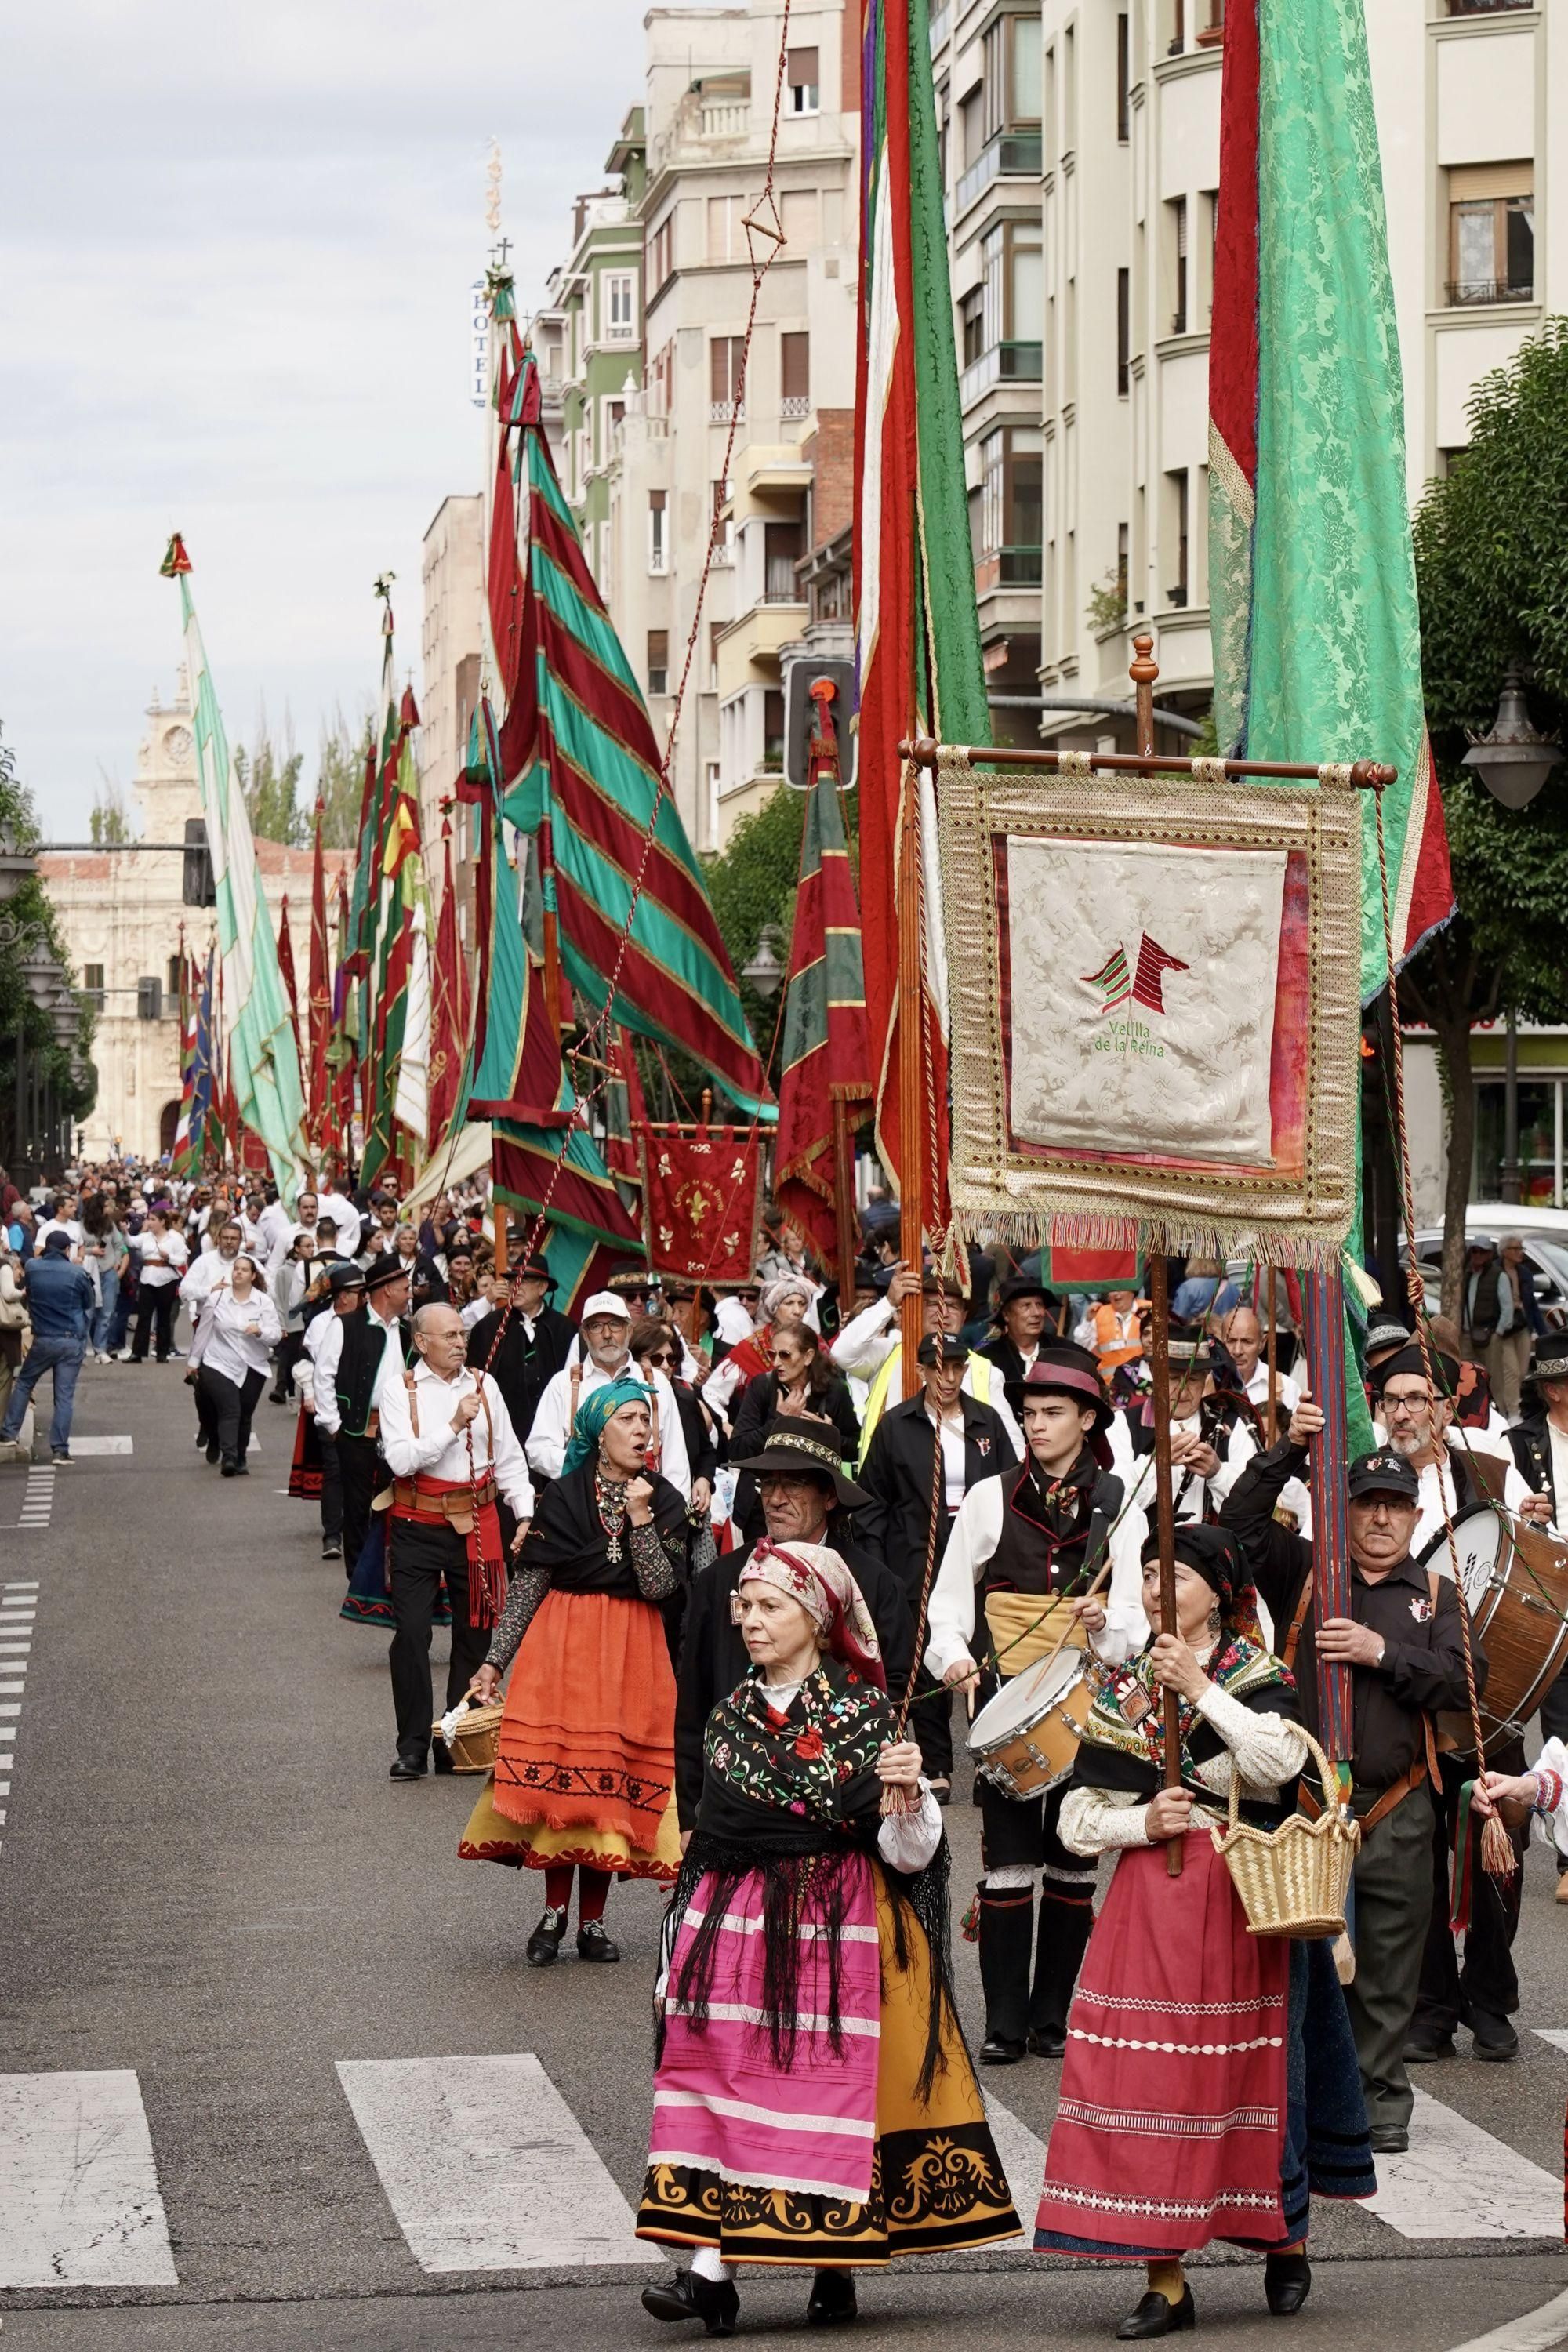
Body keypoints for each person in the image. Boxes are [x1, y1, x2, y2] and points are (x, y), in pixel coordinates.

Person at [636, 1541, 1020, 2331]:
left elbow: (905, 1855)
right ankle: (710, 2270)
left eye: (769, 1606)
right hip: (730, 1932)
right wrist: (678, 1956)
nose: (749, 1621)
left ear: (816, 1618)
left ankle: (830, 2260)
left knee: (816, 2094)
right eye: (744, 1606)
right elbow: (711, 1839)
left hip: (830, 1926)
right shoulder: (727, 1718)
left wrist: (908, 1794)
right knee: (720, 2088)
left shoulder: (866, 1719)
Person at [1033, 1524, 1372, 2337]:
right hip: (1149, 1910)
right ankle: (1165, 2279)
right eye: (1146, 1578)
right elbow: (1076, 1820)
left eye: (1173, 1578)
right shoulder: (1119, 1690)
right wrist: (1142, 1822)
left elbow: (1275, 1768)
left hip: (1248, 1903)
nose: (1155, 1591)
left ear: (1216, 1592)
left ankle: (1282, 2240)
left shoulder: (1257, 1674)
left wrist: (1198, 1689)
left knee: (1257, 2081)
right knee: (1152, 2086)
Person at [1221, 1425, 1484, 2153]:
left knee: (1391, 1970)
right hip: (1308, 1807)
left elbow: (1468, 1682)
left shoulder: (1438, 1593)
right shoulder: (1306, 1571)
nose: (1379, 1518)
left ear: (1415, 1516)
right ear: (1345, 1508)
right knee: (1303, 1967)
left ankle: (1380, 2099)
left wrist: (1383, 1654)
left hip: (1398, 1805)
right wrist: (1293, 1449)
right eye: (1366, 1503)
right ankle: (1310, 2098)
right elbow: (1237, 1528)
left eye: (1394, 1506)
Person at [926, 1349, 1134, 2064]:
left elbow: (1136, 1613)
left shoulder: (1120, 1498)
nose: (1036, 1425)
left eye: (1052, 1413)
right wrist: (951, 1654)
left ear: (1087, 1419)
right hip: (1009, 1698)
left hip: (1090, 1699)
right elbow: (949, 1598)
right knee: (1007, 1865)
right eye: (1029, 1413)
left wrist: (1110, 1625)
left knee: (1074, 1860)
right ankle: (1004, 2025)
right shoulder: (989, 1496)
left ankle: (1055, 2021)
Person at [459, 1381, 686, 1957]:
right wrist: (492, 1663)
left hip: (634, 1651)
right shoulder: (560, 1497)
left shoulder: (662, 1499)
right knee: (564, 1783)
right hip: (563, 1649)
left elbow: (662, 1587)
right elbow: (530, 1587)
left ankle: (593, 1923)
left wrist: (639, 1519)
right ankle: (554, 1914)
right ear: (597, 1433)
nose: (642, 1430)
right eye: (628, 1419)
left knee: (606, 1783)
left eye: (647, 1419)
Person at [673, 1417, 916, 1838]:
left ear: (829, 1497)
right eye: (767, 1483)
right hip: (735, 1807)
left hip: (840, 1813)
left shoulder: (872, 1585)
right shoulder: (721, 1580)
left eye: (794, 1484)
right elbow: (694, 1699)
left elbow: (895, 1692)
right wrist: (692, 1816)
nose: (775, 1498)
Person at [376, 1302, 535, 1780]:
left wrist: (524, 1514)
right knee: (412, 1635)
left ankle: (454, 1737)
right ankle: (412, 1746)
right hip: (417, 1523)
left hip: (480, 1519)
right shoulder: (401, 1389)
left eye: (463, 1333)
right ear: (421, 1342)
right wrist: (452, 1427)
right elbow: (401, 1461)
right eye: (448, 1335)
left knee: (475, 1633)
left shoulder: (485, 1386)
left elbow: (509, 1458)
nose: (460, 1342)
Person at [858, 1330, 1016, 1798]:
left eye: (956, 1367)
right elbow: (872, 1502)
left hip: (977, 1549)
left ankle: (992, 1762)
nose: (947, 1377)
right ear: (923, 1370)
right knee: (921, 1654)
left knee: (984, 1649)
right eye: (937, 1367)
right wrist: (878, 1566)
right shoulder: (896, 1424)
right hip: (915, 1550)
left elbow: (1012, 1488)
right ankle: (937, 1762)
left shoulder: (986, 1422)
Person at [832, 1265, 1024, 1460]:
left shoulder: (986, 1372)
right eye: (933, 1304)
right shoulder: (888, 1353)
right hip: (892, 1482)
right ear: (916, 1309)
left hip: (964, 1486)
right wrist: (889, 1303)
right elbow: (841, 1353)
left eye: (953, 1306)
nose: (943, 1312)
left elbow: (1013, 1447)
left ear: (965, 1317)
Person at [1371, 1345, 1540, 1552]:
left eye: (1416, 1399)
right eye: (1391, 1400)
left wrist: (1532, 1532)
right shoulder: (1364, 1475)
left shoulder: (1495, 1477)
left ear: (1448, 1410)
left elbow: (1550, 1557)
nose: (1399, 1415)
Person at [527, 1291, 691, 1497]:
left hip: (648, 1503)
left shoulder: (656, 1382)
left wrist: (675, 1516)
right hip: (582, 1505)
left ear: (630, 1330)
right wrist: (583, 1465)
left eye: (615, 1324)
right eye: (596, 1326)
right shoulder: (564, 1384)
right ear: (585, 1336)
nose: (607, 1334)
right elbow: (537, 1449)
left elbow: (676, 1459)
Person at [313, 1257, 411, 1576]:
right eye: (405, 1289)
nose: (410, 1295)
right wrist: (334, 1425)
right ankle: (357, 1575)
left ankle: (390, 1570)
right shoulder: (344, 1325)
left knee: (394, 1502)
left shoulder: (408, 1332)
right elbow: (323, 1376)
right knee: (356, 1506)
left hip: (397, 1432)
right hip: (355, 1430)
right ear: (385, 1291)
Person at [726, 1319, 859, 1545]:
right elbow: (738, 1450)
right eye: (772, 1354)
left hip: (813, 1510)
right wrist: (778, 1420)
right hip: (761, 1507)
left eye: (785, 1355)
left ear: (808, 1357)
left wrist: (827, 1433)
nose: (776, 1362)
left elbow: (854, 1448)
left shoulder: (833, 1391)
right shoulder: (762, 1386)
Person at [1112, 1323, 1257, 1530]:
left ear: (1207, 1376)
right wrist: (1157, 1465)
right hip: (1141, 1557)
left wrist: (1217, 1473)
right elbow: (1113, 1502)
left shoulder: (1232, 1426)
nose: (1181, 1390)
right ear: (1154, 1373)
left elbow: (1252, 1507)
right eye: (1172, 1379)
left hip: (1210, 1558)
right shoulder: (1123, 1425)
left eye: (1193, 1380)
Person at [465, 1253, 577, 1454]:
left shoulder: (565, 1328)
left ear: (543, 1288)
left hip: (553, 1435)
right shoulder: (489, 1327)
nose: (516, 1286)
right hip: (505, 1434)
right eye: (512, 1281)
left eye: (525, 1281)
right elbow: (474, 1382)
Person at [0, 1231, 95, 1464]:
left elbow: (26, 1291)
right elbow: (89, 1304)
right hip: (70, 1338)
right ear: (66, 1250)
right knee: (63, 1396)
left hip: (42, 1337)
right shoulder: (78, 1273)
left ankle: (8, 1433)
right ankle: (60, 1450)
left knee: (24, 1383)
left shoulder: (32, 1267)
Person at [197, 1252, 281, 1476]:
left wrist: (259, 1331)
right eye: (236, 1269)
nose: (239, 1273)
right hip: (219, 1362)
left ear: (253, 1276)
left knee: (244, 1413)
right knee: (230, 1409)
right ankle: (229, 1457)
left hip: (253, 1365)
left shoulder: (263, 1302)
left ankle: (241, 1456)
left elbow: (275, 1335)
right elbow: (204, 1330)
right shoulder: (217, 1299)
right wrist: (194, 1361)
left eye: (244, 1270)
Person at [128, 1208, 187, 1363]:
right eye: (149, 1219)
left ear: (162, 1222)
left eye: (154, 1219)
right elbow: (131, 1242)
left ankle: (162, 1352)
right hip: (148, 1277)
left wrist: (169, 1257)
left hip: (166, 1278)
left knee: (164, 1317)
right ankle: (138, 1352)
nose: (150, 1223)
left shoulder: (175, 1238)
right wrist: (124, 1231)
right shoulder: (146, 1237)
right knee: (144, 1316)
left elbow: (182, 1259)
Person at [981, 1272, 1060, 1383]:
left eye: (1039, 1305)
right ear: (1006, 1315)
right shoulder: (986, 1360)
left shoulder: (1062, 1352)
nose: (1036, 1313)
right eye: (1026, 1306)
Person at [81, 1195, 129, 1365]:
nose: (109, 1209)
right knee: (88, 1312)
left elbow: (119, 1244)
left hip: (108, 1272)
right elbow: (77, 1248)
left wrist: (116, 1262)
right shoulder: (82, 1226)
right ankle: (80, 1349)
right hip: (89, 1271)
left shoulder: (110, 1226)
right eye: (106, 1206)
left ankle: (101, 1349)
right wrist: (90, 1250)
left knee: (107, 1312)